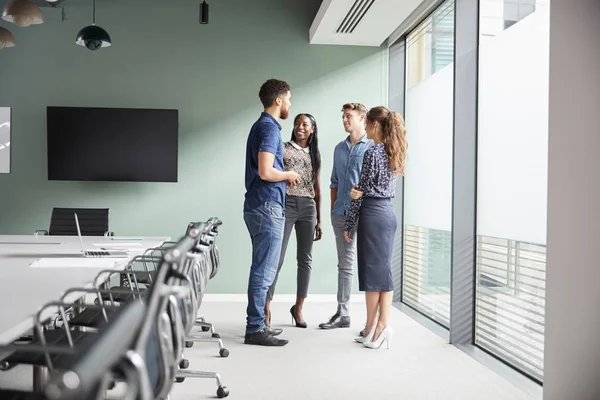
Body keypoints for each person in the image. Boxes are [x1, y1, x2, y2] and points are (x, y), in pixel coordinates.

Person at [343, 106, 407, 350]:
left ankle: (382, 325)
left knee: (378, 274)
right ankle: (371, 325)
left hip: (373, 214)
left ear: (375, 125)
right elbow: (364, 189)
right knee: (374, 273)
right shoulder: (391, 151)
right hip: (385, 214)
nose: (366, 127)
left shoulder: (372, 152)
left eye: (368, 123)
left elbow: (360, 192)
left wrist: (349, 223)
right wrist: (358, 191)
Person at [243, 79, 300, 347]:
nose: (289, 103)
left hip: (260, 204)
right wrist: (289, 174)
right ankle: (255, 328)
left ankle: (259, 324)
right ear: (278, 100)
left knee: (262, 266)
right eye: (288, 98)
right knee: (264, 269)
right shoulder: (269, 129)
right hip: (267, 205)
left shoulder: (264, 127)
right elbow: (266, 172)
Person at [265, 113, 323, 329]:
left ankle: (298, 308)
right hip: (286, 205)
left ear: (312, 129)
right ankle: (266, 307)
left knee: (305, 260)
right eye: (297, 123)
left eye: (305, 124)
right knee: (276, 258)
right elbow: (273, 172)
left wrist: (320, 219)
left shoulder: (316, 154)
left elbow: (317, 187)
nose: (300, 127)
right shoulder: (283, 147)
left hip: (308, 207)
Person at [319, 103, 373, 330]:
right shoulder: (339, 149)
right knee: (345, 265)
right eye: (343, 116)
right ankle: (343, 313)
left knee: (371, 265)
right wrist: (334, 209)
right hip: (341, 214)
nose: (344, 120)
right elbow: (334, 182)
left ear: (362, 118)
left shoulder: (372, 147)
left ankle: (374, 321)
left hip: (366, 214)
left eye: (348, 116)